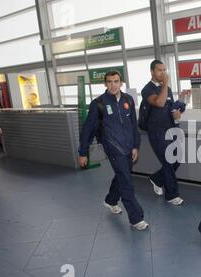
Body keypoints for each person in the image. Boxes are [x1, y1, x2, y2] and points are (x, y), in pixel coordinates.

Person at [78, 70, 149, 230]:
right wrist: (83, 152)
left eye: (116, 81)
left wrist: (135, 146)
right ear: (105, 84)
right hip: (113, 147)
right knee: (126, 181)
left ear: (121, 83)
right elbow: (88, 129)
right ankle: (136, 218)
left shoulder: (128, 99)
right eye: (109, 82)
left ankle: (110, 200)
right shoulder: (99, 104)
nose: (113, 85)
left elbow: (133, 125)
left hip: (128, 147)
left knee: (122, 175)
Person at [140, 60, 190, 205]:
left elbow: (170, 108)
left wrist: (180, 107)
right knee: (168, 160)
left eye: (164, 70)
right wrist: (165, 85)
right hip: (156, 131)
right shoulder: (147, 89)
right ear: (152, 72)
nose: (163, 73)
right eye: (159, 70)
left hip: (170, 129)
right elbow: (160, 103)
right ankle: (171, 195)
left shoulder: (166, 88)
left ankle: (157, 178)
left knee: (177, 159)